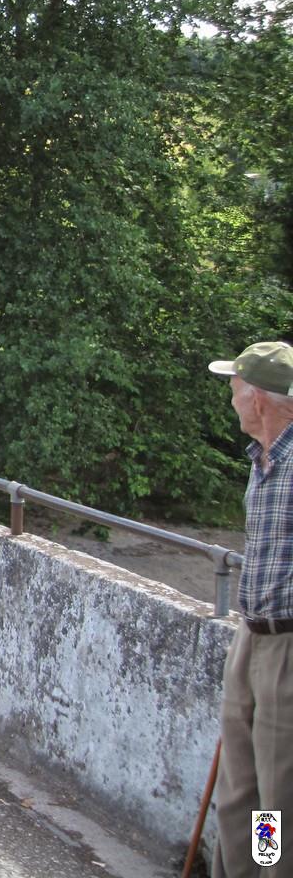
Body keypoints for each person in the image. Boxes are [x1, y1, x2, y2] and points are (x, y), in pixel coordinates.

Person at [210, 339, 293, 877]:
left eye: (235, 388)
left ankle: (268, 868)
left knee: (274, 798)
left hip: (287, 649)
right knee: (238, 785)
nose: (231, 398)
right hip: (250, 635)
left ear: (257, 399)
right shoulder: (260, 462)